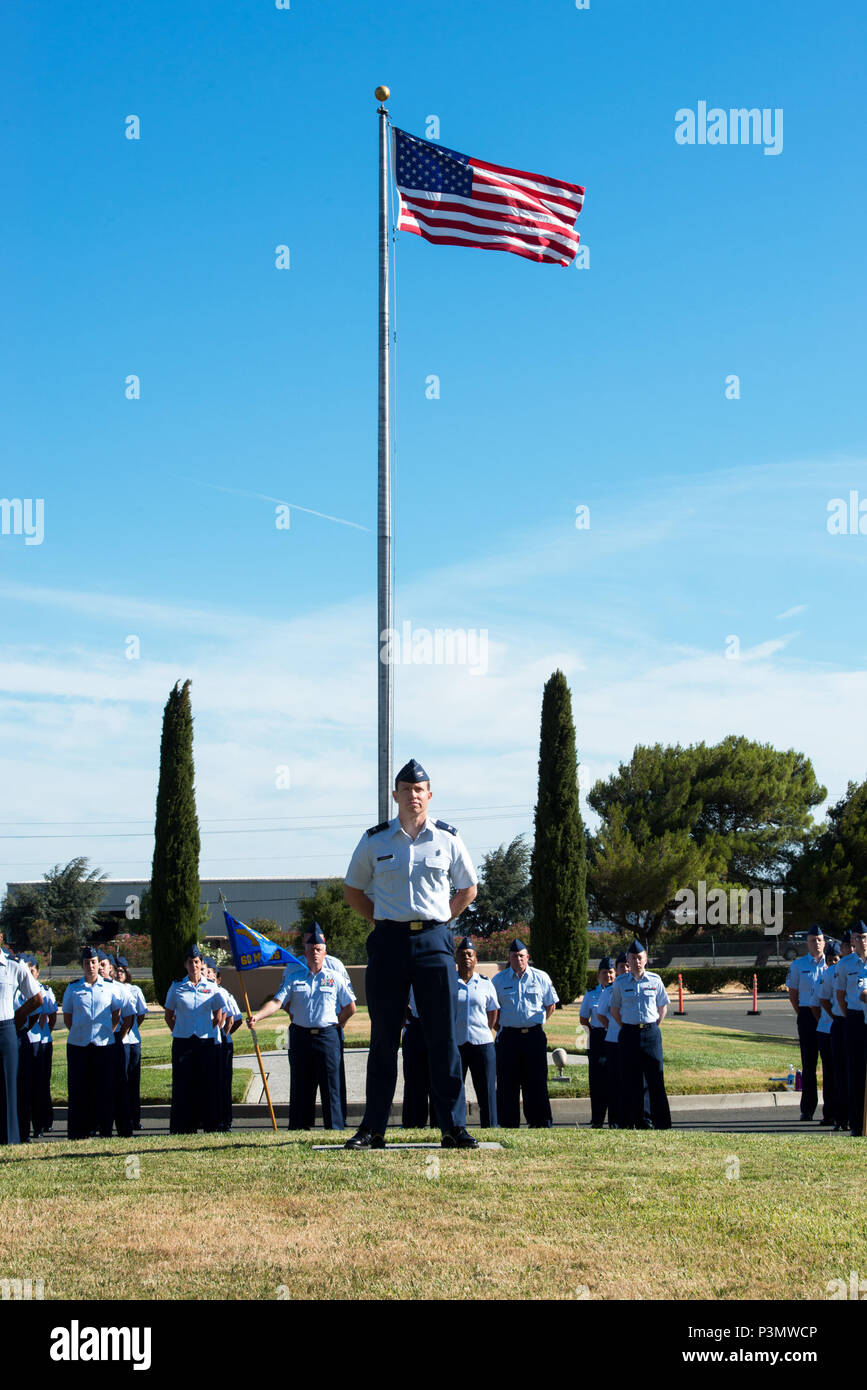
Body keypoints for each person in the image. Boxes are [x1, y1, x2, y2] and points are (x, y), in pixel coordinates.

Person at [343, 758, 479, 1150]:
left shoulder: (447, 838)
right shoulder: (375, 840)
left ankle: (453, 1127)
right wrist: (383, 920)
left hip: (434, 944)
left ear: (429, 795)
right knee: (384, 1038)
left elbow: (468, 888)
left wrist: (440, 922)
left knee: (442, 1037)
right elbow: (353, 889)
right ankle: (373, 1129)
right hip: (388, 944)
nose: (413, 796)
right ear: (396, 795)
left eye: (420, 790)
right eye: (406, 789)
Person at [248, 923, 356, 1130]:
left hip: (328, 1036)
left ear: (324, 952)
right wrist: (258, 1016)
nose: (314, 953)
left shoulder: (335, 977)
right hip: (301, 1037)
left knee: (331, 1087)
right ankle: (299, 1128)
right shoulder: (293, 977)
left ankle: (334, 1129)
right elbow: (278, 1002)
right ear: (304, 951)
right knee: (300, 1085)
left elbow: (350, 1007)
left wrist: (335, 1025)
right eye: (310, 949)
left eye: (318, 949)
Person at [63, 946, 129, 1140]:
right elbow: (68, 1017)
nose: (90, 966)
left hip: (103, 1046)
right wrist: (80, 1033)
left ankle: (105, 1131)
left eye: (93, 962)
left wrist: (108, 1031)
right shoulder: (73, 988)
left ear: (99, 964)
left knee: (105, 1090)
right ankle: (78, 1132)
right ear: (82, 965)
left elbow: (117, 1013)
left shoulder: (110, 987)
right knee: (78, 1090)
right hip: (78, 1046)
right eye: (86, 963)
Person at [492, 939, 558, 1128]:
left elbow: (550, 1005)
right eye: (514, 956)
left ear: (528, 957)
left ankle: (540, 1122)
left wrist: (538, 1022)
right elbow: (493, 1010)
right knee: (507, 1083)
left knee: (536, 1081)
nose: (518, 959)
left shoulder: (541, 977)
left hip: (534, 1037)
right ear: (509, 958)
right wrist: (502, 1028)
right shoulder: (499, 980)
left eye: (522, 956)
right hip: (509, 1038)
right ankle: (507, 1123)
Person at [607, 938, 671, 1130]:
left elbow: (662, 1007)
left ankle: (661, 1122)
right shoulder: (620, 983)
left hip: (651, 1033)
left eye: (639, 958)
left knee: (655, 1079)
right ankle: (633, 1121)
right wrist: (629, 1026)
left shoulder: (655, 980)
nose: (636, 961)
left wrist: (651, 1026)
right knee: (630, 1079)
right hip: (629, 1034)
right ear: (628, 960)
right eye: (633, 958)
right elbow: (615, 1010)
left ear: (646, 959)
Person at [164, 946, 225, 1134]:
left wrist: (211, 1028)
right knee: (183, 1084)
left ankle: (210, 1125)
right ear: (185, 964)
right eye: (190, 962)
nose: (193, 965)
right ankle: (183, 1126)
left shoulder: (211, 987)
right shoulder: (177, 987)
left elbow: (219, 1012)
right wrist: (180, 1030)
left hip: (205, 1042)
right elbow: (168, 1014)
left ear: (201, 964)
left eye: (196, 962)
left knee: (207, 1083)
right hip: (183, 1042)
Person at [0, 935, 42, 1146]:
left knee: (8, 1086)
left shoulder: (13, 967)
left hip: (4, 1028)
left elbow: (36, 998)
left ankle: (9, 1139)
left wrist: (18, 1015)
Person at [454, 938, 498, 1128]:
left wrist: (483, 1029)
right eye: (462, 954)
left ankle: (490, 1127)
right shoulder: (450, 982)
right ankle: (456, 1128)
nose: (466, 958)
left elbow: (493, 1011)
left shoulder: (485, 983)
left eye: (469, 954)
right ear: (456, 958)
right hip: (457, 1043)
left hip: (482, 1043)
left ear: (476, 959)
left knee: (487, 1090)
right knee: (454, 1089)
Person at [785, 924, 828, 1122]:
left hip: (828, 1017)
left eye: (819, 940)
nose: (816, 944)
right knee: (809, 1065)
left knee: (830, 1066)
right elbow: (793, 994)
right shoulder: (798, 966)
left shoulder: (833, 965)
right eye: (812, 940)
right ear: (807, 944)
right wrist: (803, 1014)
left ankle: (831, 1110)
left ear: (824, 943)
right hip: (806, 1016)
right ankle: (808, 1109)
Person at [835, 921, 867, 1136]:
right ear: (852, 941)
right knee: (855, 1072)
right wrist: (850, 1017)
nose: (861, 941)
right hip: (855, 1019)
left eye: (864, 937)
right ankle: (857, 1124)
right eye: (857, 938)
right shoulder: (845, 965)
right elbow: (840, 996)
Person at [580, 956, 616, 1128]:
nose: (608, 976)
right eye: (604, 973)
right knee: (597, 1080)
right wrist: (594, 1032)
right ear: (598, 975)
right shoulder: (591, 994)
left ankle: (615, 1119)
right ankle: (597, 1119)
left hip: (615, 1036)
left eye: (610, 972)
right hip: (598, 1037)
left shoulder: (618, 990)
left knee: (614, 1078)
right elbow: (583, 1019)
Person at [596, 951, 628, 1128]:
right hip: (614, 1040)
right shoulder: (609, 990)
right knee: (615, 1082)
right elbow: (601, 1014)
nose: (625, 969)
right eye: (622, 967)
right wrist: (612, 1027)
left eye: (627, 966)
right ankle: (616, 1120)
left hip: (631, 1041)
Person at [116, 959, 148, 1131]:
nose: (119, 973)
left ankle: (134, 1119)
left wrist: (131, 1029)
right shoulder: (111, 988)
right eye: (117, 970)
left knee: (132, 1081)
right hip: (116, 1041)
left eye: (122, 970)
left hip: (132, 1040)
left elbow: (141, 1014)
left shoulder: (135, 990)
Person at [826, 930, 852, 1132]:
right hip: (842, 1022)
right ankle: (840, 1117)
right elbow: (824, 998)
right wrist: (838, 1016)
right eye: (847, 946)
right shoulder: (835, 969)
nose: (851, 949)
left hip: (859, 1022)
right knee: (840, 1072)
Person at [401, 988, 435, 1128]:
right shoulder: (405, 973)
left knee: (437, 1082)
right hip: (413, 1028)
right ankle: (414, 1124)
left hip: (435, 1028)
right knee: (414, 1083)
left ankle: (440, 1125)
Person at [815, 941, 839, 1127]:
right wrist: (831, 1017)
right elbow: (818, 1003)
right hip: (826, 1029)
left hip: (839, 1029)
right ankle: (829, 1113)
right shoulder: (823, 976)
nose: (831, 962)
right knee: (829, 1074)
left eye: (835, 959)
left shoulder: (843, 973)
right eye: (829, 959)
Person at [216, 969, 243, 1132]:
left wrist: (225, 1034)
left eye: (211, 972)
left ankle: (225, 1119)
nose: (207, 975)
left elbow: (236, 1018)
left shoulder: (223, 993)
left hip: (222, 1041)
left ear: (218, 978)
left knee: (223, 1082)